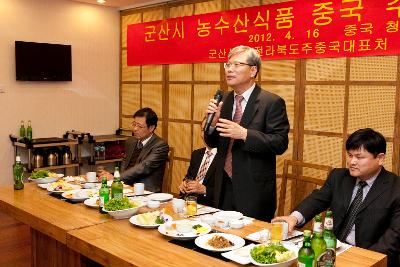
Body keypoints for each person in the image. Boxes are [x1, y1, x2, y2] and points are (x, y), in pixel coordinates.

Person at [273, 128, 400, 267]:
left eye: (359, 157)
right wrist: (294, 217)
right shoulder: (339, 177)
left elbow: (394, 237)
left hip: (368, 257)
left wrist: (366, 261)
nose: (351, 162)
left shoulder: (395, 189)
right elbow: (317, 199)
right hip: (332, 251)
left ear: (380, 158)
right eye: (350, 155)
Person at [204, 45, 290, 221]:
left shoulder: (271, 102)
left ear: (253, 70)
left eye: (236, 64)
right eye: (227, 65)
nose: (229, 69)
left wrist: (245, 134)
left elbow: (280, 143)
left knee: (249, 241)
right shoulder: (225, 100)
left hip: (253, 190)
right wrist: (211, 125)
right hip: (222, 184)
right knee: (218, 236)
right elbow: (213, 143)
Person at [99, 107, 169, 193]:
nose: (135, 129)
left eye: (139, 126)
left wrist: (116, 178)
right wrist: (114, 177)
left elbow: (143, 167)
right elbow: (124, 164)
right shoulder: (131, 141)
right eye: (134, 124)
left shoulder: (160, 145)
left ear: (151, 128)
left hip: (145, 191)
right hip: (126, 187)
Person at [179, 118, 217, 206]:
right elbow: (189, 177)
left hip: (211, 206)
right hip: (190, 203)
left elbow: (228, 192)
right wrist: (184, 184)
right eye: (203, 130)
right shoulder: (197, 154)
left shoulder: (225, 158)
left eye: (209, 130)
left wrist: (205, 190)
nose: (205, 134)